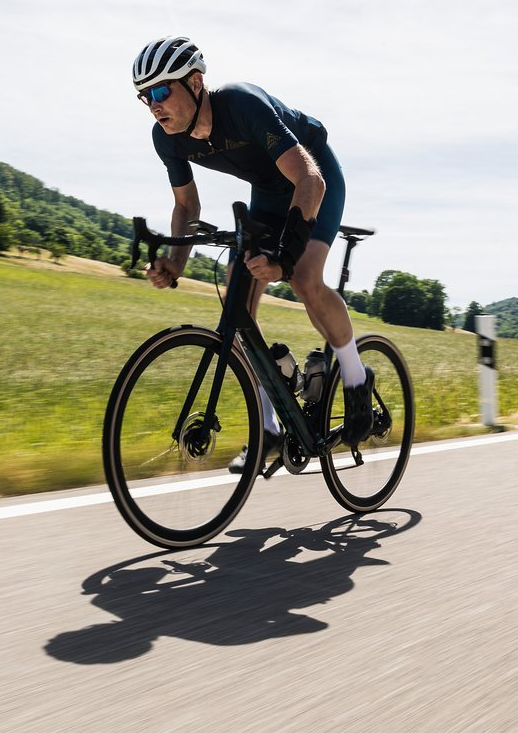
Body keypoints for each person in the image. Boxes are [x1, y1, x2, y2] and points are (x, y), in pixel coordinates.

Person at [132, 36, 373, 470]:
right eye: (144, 96)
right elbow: (187, 206)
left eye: (161, 91)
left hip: (314, 175)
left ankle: (356, 379)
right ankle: (270, 429)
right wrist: (174, 262)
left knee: (302, 278)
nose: (153, 104)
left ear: (195, 81)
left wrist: (286, 255)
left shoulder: (241, 106)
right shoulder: (167, 138)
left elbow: (309, 182)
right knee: (239, 302)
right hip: (268, 192)